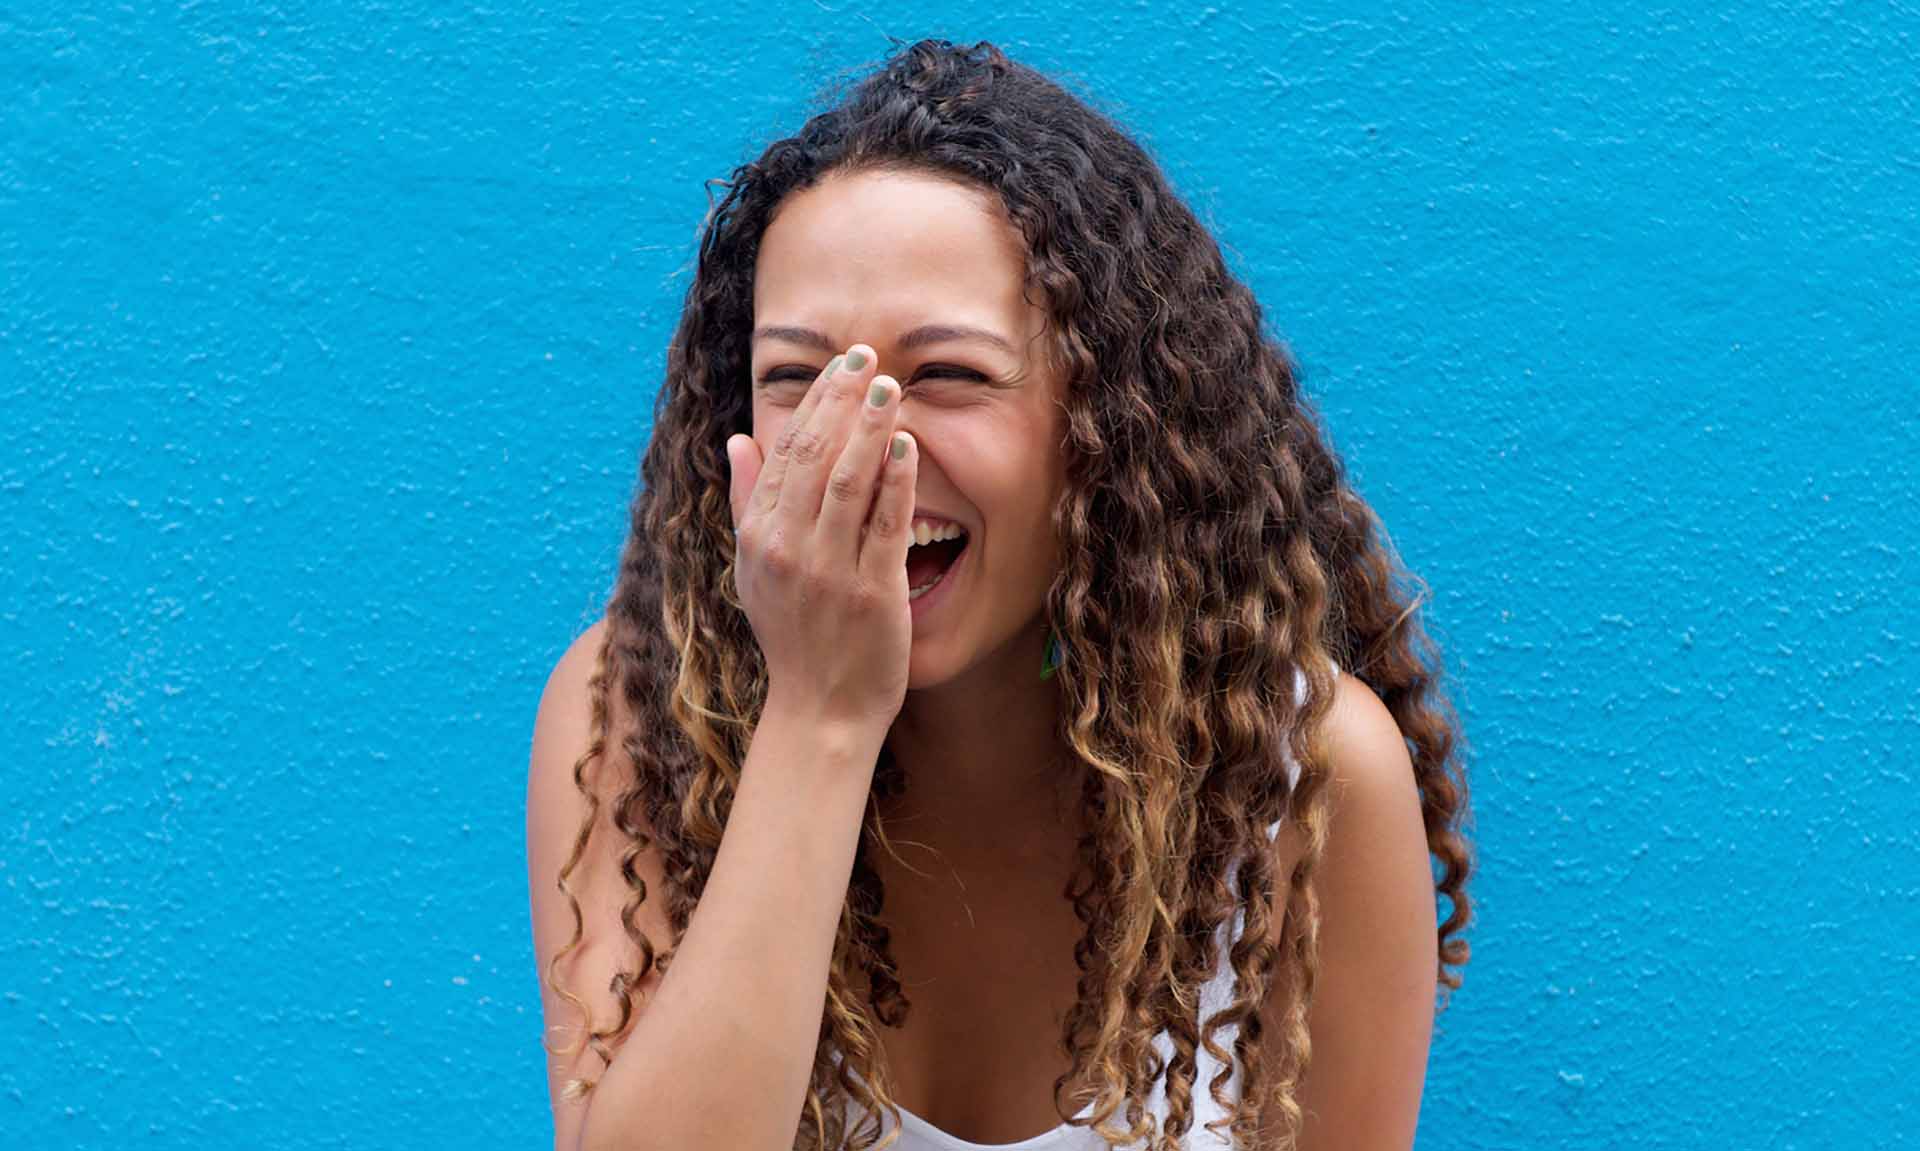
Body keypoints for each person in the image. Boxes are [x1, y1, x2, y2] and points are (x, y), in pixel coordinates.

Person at [526, 37, 1473, 1151]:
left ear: (1106, 426)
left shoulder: (1309, 781)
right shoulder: (636, 705)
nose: (867, 448)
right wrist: (820, 716)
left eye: (949, 375)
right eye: (796, 378)